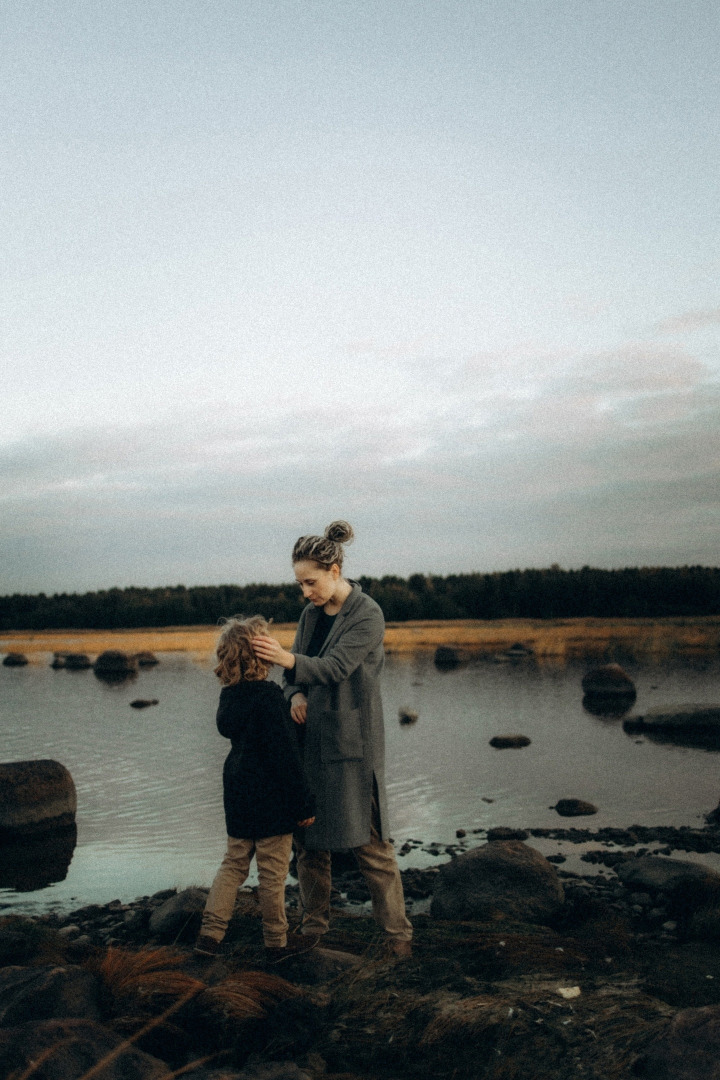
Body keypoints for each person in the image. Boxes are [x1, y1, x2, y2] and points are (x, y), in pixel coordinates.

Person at [252, 521, 413, 957]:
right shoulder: (308, 615)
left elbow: (336, 667)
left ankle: (398, 936)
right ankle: (315, 925)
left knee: (371, 843)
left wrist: (287, 658)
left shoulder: (368, 615)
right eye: (300, 583)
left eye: (311, 582)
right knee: (308, 843)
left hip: (353, 745)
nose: (305, 592)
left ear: (335, 570)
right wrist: (295, 692)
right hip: (308, 742)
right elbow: (297, 674)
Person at [195, 615, 316, 959]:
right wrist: (304, 805)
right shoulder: (269, 698)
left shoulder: (229, 698)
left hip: (237, 790)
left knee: (232, 865)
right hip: (271, 800)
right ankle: (277, 942)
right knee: (272, 875)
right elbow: (285, 759)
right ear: (260, 656)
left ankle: (209, 935)